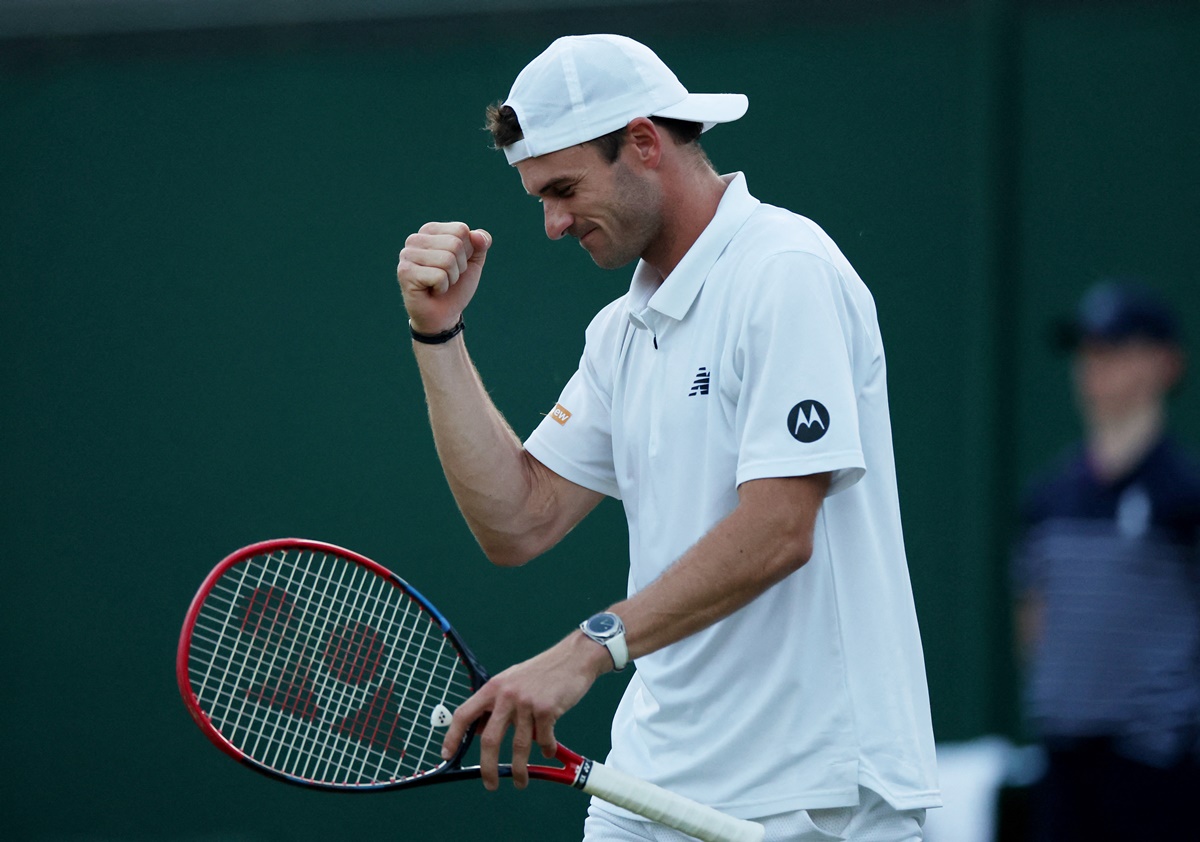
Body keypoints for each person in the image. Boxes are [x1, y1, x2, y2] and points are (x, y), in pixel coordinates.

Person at [396, 34, 940, 841]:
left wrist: (584, 651)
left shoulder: (785, 271)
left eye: (564, 188)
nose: (550, 224)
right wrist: (437, 335)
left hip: (814, 799)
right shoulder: (621, 330)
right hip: (647, 792)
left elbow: (780, 529)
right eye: (538, 198)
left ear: (645, 143)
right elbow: (518, 521)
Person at [1012, 280, 1200, 842]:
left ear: (1163, 364)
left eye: (1114, 349)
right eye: (1087, 351)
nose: (1095, 367)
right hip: (1065, 765)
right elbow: (1034, 621)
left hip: (1159, 771)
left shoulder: (1185, 496)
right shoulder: (1047, 499)